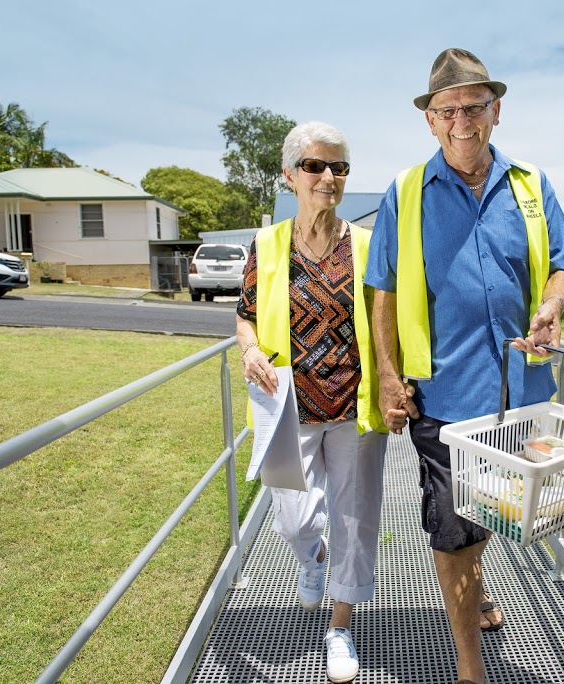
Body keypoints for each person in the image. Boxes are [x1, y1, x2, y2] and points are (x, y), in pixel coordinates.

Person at [365, 48, 564, 684]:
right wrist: (386, 374)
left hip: (525, 393)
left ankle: (474, 592)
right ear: (429, 121)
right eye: (448, 109)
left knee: (498, 512)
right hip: (445, 397)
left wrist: (551, 304)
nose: (463, 119)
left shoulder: (531, 185)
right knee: (455, 531)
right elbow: (382, 290)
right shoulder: (404, 193)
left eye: (475, 105)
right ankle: (469, 668)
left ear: (497, 111)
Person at [236, 121, 388, 684]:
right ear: (290, 175)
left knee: (356, 517)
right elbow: (246, 315)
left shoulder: (370, 247)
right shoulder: (267, 244)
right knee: (294, 519)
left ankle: (340, 626)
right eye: (316, 166)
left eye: (340, 167)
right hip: (290, 406)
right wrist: (250, 350)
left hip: (355, 407)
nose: (329, 177)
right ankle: (312, 557)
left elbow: (386, 322)